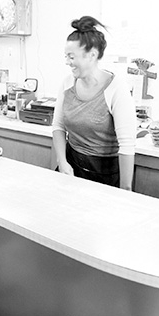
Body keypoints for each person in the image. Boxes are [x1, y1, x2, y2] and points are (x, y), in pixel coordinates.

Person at [51, 16, 136, 190]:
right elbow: (58, 126)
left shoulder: (116, 88)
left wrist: (125, 191)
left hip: (104, 174)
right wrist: (62, 162)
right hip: (71, 168)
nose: (67, 62)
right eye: (66, 56)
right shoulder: (67, 83)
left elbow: (127, 145)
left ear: (92, 55)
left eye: (72, 57)